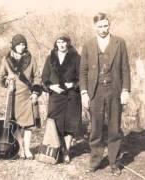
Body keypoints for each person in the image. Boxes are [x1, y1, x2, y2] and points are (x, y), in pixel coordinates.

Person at [79, 12, 131, 176]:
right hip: (95, 91)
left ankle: (114, 163)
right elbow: (83, 72)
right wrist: (84, 93)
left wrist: (125, 90)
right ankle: (95, 161)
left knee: (114, 127)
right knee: (95, 128)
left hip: (114, 90)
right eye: (100, 26)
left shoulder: (119, 43)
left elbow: (125, 69)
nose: (103, 29)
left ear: (109, 25)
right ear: (95, 26)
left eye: (106, 26)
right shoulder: (88, 45)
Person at [0, 34, 41, 160]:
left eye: (23, 44)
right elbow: (1, 77)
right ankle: (20, 148)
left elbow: (37, 76)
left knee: (28, 125)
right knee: (16, 124)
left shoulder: (31, 58)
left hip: (28, 96)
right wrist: (7, 81)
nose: (21, 47)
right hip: (13, 97)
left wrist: (35, 92)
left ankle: (27, 149)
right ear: (13, 46)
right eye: (18, 44)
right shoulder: (6, 60)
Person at [41, 34, 82, 164]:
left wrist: (73, 84)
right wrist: (51, 87)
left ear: (68, 43)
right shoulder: (50, 58)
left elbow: (82, 77)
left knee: (70, 125)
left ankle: (66, 152)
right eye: (59, 42)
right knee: (55, 124)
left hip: (72, 96)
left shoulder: (76, 58)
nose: (62, 45)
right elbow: (44, 77)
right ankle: (55, 151)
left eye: (64, 42)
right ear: (56, 44)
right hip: (56, 96)